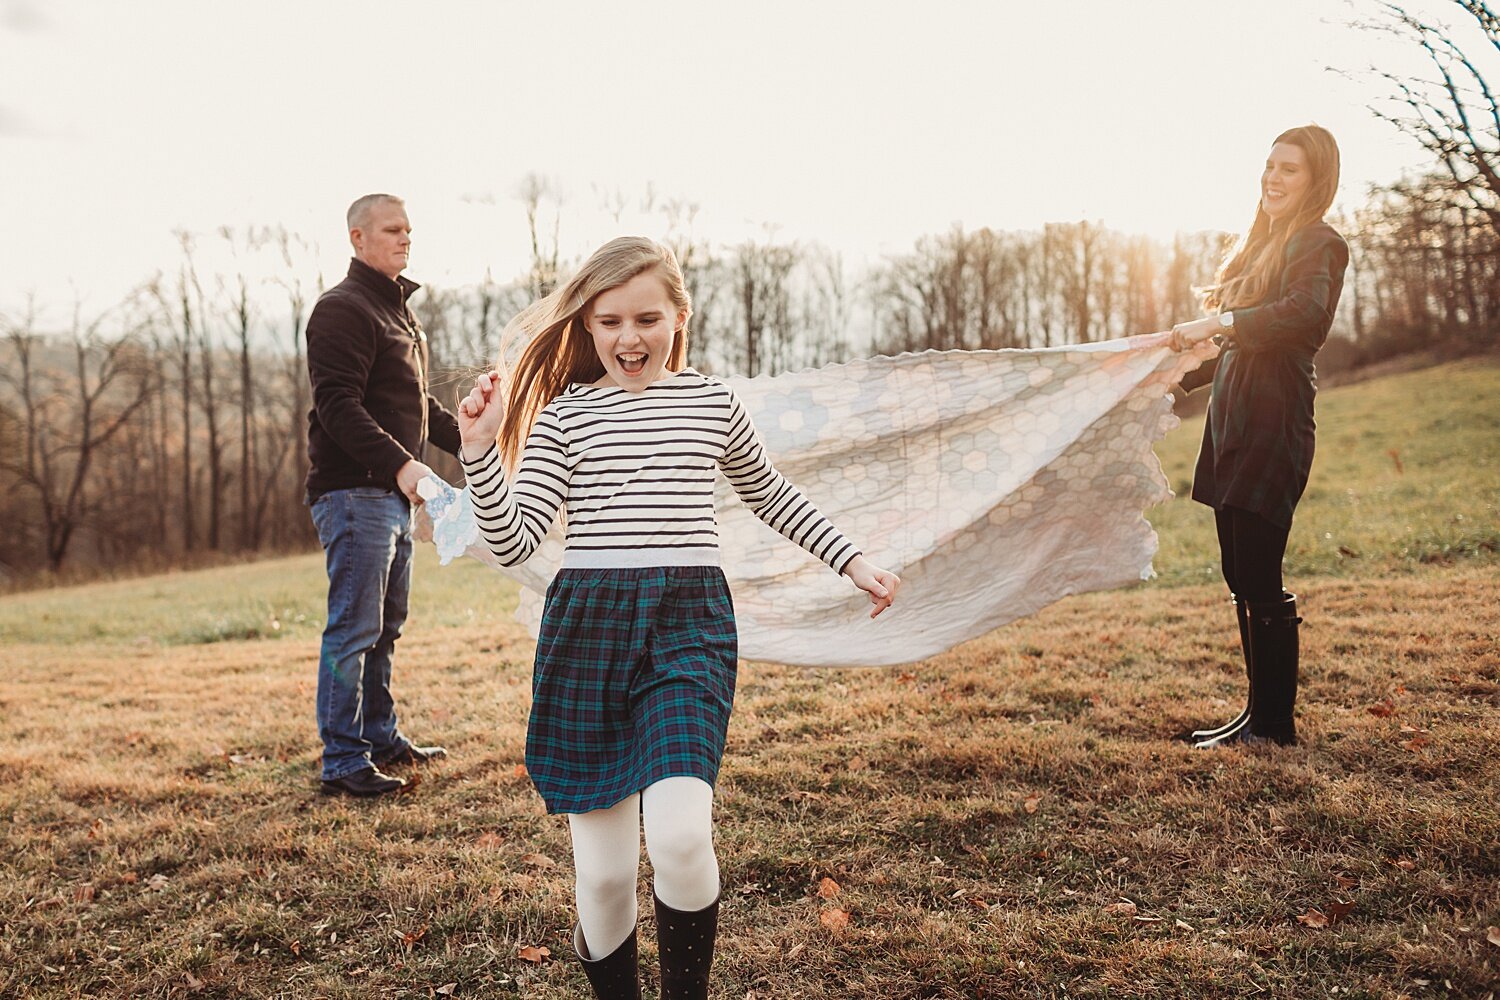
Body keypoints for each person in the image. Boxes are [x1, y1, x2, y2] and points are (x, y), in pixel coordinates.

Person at [455, 236, 900, 998]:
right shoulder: (567, 417)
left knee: (684, 835)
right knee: (602, 880)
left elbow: (772, 494)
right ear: (588, 329)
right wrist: (478, 452)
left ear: (679, 317)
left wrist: (852, 560)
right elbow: (515, 538)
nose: (630, 337)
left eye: (647, 318)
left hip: (686, 627)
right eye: (610, 322)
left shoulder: (710, 403)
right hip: (587, 634)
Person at [1169, 125, 1349, 748]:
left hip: (1275, 422)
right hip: (1232, 425)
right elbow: (1238, 348)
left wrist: (1219, 318)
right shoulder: (1261, 246)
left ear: (1315, 179)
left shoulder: (1319, 242)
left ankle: (1276, 725)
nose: (1273, 178)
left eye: (1289, 169)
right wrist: (1168, 385)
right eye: (1269, 165)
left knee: (1260, 570)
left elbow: (1300, 320)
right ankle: (1256, 715)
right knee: (1238, 571)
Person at [305, 193, 461, 796]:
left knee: (387, 624)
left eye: (408, 231)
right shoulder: (342, 309)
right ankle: (343, 760)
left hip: (394, 495)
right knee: (354, 628)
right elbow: (337, 406)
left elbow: (413, 407)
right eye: (392, 230)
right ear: (357, 238)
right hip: (353, 494)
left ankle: (379, 734)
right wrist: (403, 466)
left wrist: (480, 433)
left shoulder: (397, 313)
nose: (405, 239)